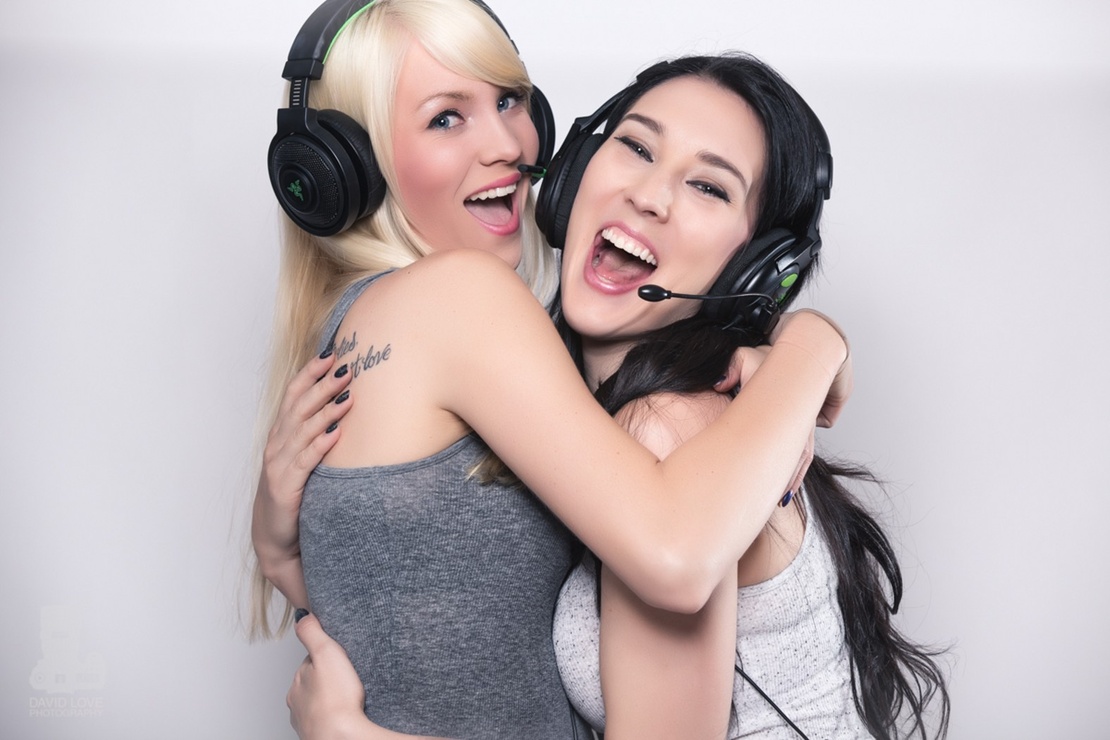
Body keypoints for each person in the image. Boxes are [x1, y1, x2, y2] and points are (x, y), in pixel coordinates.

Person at [279, 53, 950, 740]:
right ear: (574, 172)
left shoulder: (668, 427)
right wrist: (278, 544)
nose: (651, 196)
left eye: (709, 187)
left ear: (755, 270)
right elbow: (435, 599)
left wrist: (354, 738)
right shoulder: (589, 423)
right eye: (636, 147)